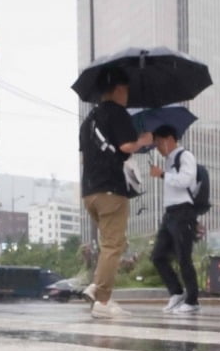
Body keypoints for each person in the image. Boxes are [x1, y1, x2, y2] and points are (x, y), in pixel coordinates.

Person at [78, 67, 153, 319]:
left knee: (113, 243)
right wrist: (143, 141)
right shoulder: (117, 113)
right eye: (126, 91)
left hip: (90, 192)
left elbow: (86, 156)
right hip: (111, 190)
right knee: (113, 245)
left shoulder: (88, 121)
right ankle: (102, 300)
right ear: (119, 89)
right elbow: (125, 146)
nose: (127, 96)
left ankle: (96, 287)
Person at [149, 125, 201, 315]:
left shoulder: (185, 156)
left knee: (183, 258)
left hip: (184, 212)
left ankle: (192, 300)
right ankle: (177, 292)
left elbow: (186, 181)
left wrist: (162, 174)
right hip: (170, 213)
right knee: (158, 256)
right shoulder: (169, 161)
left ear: (169, 139)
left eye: (158, 143)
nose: (157, 147)